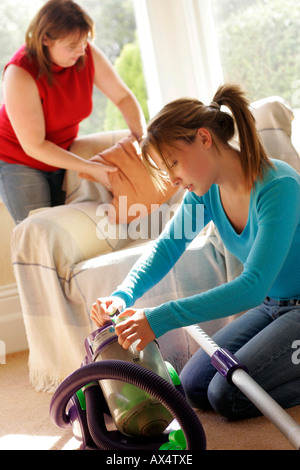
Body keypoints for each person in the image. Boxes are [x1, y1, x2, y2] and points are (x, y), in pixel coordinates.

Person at [91, 83, 300, 420]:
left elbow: (253, 285)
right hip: (273, 307)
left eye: (174, 163)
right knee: (195, 384)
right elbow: (167, 248)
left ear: (204, 138)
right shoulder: (205, 193)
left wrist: (161, 317)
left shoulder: (277, 186)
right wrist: (122, 295)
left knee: (227, 395)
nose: (173, 179)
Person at [0, 0, 146, 224]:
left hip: (62, 153)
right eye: (71, 46)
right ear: (46, 39)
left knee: (69, 228)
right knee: (41, 230)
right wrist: (91, 169)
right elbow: (34, 146)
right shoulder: (20, 73)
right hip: (18, 158)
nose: (80, 51)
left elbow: (123, 97)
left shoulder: (83, 53)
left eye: (84, 41)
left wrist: (141, 139)